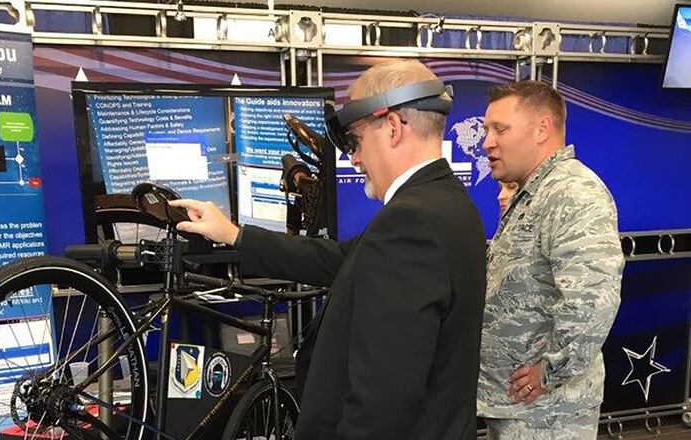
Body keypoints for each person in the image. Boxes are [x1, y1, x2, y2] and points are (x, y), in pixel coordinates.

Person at [170, 59, 487, 439]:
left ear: (391, 127)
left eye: (355, 141)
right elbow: (342, 259)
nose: (353, 158)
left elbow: (382, 404)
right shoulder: (449, 204)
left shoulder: (410, 222)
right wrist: (236, 235)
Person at [478, 80, 624, 439]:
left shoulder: (572, 193)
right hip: (518, 406)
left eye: (500, 129)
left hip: (548, 413)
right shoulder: (534, 193)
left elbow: (592, 300)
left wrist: (550, 371)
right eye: (486, 130)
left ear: (542, 128)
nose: (487, 142)